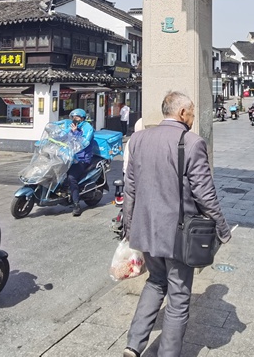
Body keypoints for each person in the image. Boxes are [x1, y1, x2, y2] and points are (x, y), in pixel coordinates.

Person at [122, 92, 231, 357]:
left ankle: (133, 345)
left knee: (155, 282)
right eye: (192, 112)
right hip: (177, 234)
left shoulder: (138, 139)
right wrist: (222, 228)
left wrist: (129, 227)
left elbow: (130, 188)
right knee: (179, 297)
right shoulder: (192, 142)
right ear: (182, 113)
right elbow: (205, 194)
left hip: (146, 230)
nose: (193, 117)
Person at [57, 108, 96, 217]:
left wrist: (75, 132)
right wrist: (53, 137)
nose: (75, 119)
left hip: (81, 159)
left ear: (82, 118)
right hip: (69, 157)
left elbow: (84, 142)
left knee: (71, 177)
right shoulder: (71, 126)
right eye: (73, 117)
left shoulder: (87, 128)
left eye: (77, 117)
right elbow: (63, 135)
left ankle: (76, 204)